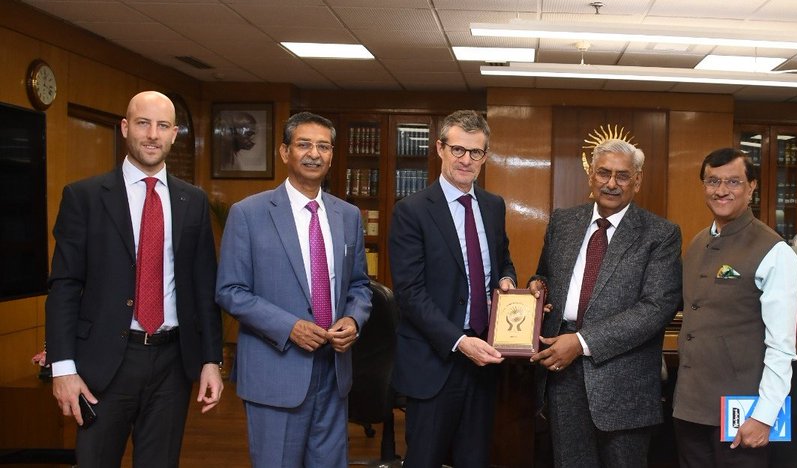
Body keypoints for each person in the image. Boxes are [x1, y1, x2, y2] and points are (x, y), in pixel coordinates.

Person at [44, 90, 224, 467]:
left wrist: (211, 360)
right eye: (143, 123)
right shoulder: (85, 197)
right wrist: (63, 367)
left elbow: (203, 287)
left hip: (172, 363)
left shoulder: (192, 201)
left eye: (162, 126)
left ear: (175, 134)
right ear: (126, 128)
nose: (152, 135)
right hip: (104, 364)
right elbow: (64, 286)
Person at [215, 112, 372, 466]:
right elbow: (230, 290)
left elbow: (360, 284)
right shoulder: (249, 213)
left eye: (323, 146)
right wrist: (289, 327)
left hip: (334, 373)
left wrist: (354, 318)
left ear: (332, 155)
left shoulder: (348, 215)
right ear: (285, 152)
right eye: (304, 144)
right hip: (276, 371)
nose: (313, 154)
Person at [529, 138, 682, 468]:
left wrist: (582, 342)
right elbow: (544, 276)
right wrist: (536, 290)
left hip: (624, 381)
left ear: (637, 180)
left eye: (623, 176)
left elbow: (657, 307)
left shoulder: (660, 234)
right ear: (591, 176)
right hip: (562, 373)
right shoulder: (563, 222)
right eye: (604, 173)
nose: (611, 183)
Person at [389, 110, 517, 468]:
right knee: (425, 459)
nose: (466, 160)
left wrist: (506, 282)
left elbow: (502, 261)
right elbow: (410, 293)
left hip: (484, 361)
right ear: (440, 149)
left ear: (485, 157)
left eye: (475, 152)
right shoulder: (411, 211)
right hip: (435, 361)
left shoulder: (493, 206)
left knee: (474, 459)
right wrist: (460, 343)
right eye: (458, 149)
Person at [672, 148, 797, 467]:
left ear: (752, 186)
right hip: (690, 408)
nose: (721, 190)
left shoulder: (775, 252)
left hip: (744, 414)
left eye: (733, 181)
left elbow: (781, 346)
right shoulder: (698, 242)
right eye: (713, 181)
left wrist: (765, 416)